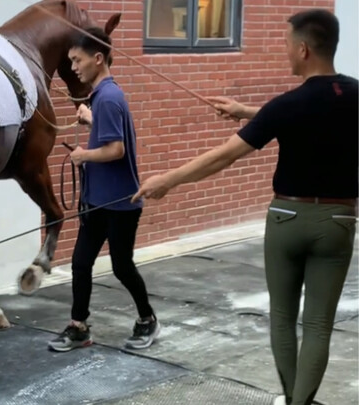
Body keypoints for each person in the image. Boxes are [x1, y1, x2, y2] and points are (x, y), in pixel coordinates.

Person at [132, 9, 357, 405]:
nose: (285, 52)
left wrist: (166, 180)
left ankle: (291, 399)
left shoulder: (288, 104)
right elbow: (303, 116)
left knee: (283, 319)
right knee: (319, 324)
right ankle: (300, 403)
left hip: (287, 219)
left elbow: (224, 156)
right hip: (339, 220)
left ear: (303, 49)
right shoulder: (353, 95)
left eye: (288, 45)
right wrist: (246, 111)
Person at [48, 26, 160, 353]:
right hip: (97, 201)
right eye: (70, 61)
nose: (73, 67)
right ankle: (79, 326)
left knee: (122, 266)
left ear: (98, 58)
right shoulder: (105, 97)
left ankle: (147, 319)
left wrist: (82, 155)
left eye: (77, 59)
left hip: (120, 203)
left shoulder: (109, 98)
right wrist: (91, 121)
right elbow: (112, 131)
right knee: (81, 262)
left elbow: (116, 150)